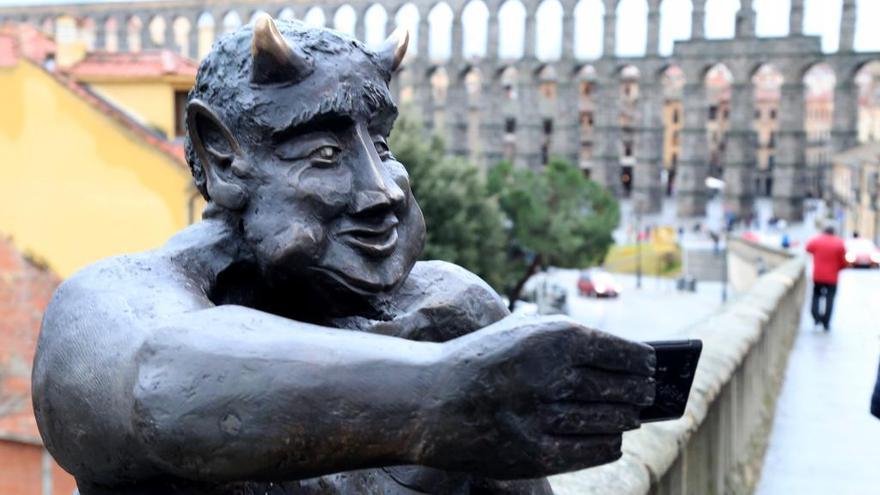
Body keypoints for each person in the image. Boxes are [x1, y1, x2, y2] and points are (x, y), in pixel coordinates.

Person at [32, 16, 656, 495]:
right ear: (223, 157)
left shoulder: (450, 312)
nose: (384, 189)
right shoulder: (111, 302)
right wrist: (446, 392)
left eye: (380, 145)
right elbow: (164, 380)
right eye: (325, 154)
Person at [805, 225, 847, 331]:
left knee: (816, 296)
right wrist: (839, 267)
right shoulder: (839, 242)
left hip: (818, 276)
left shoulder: (817, 240)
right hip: (832, 277)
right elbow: (843, 261)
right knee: (830, 299)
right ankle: (826, 322)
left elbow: (808, 248)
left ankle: (816, 317)